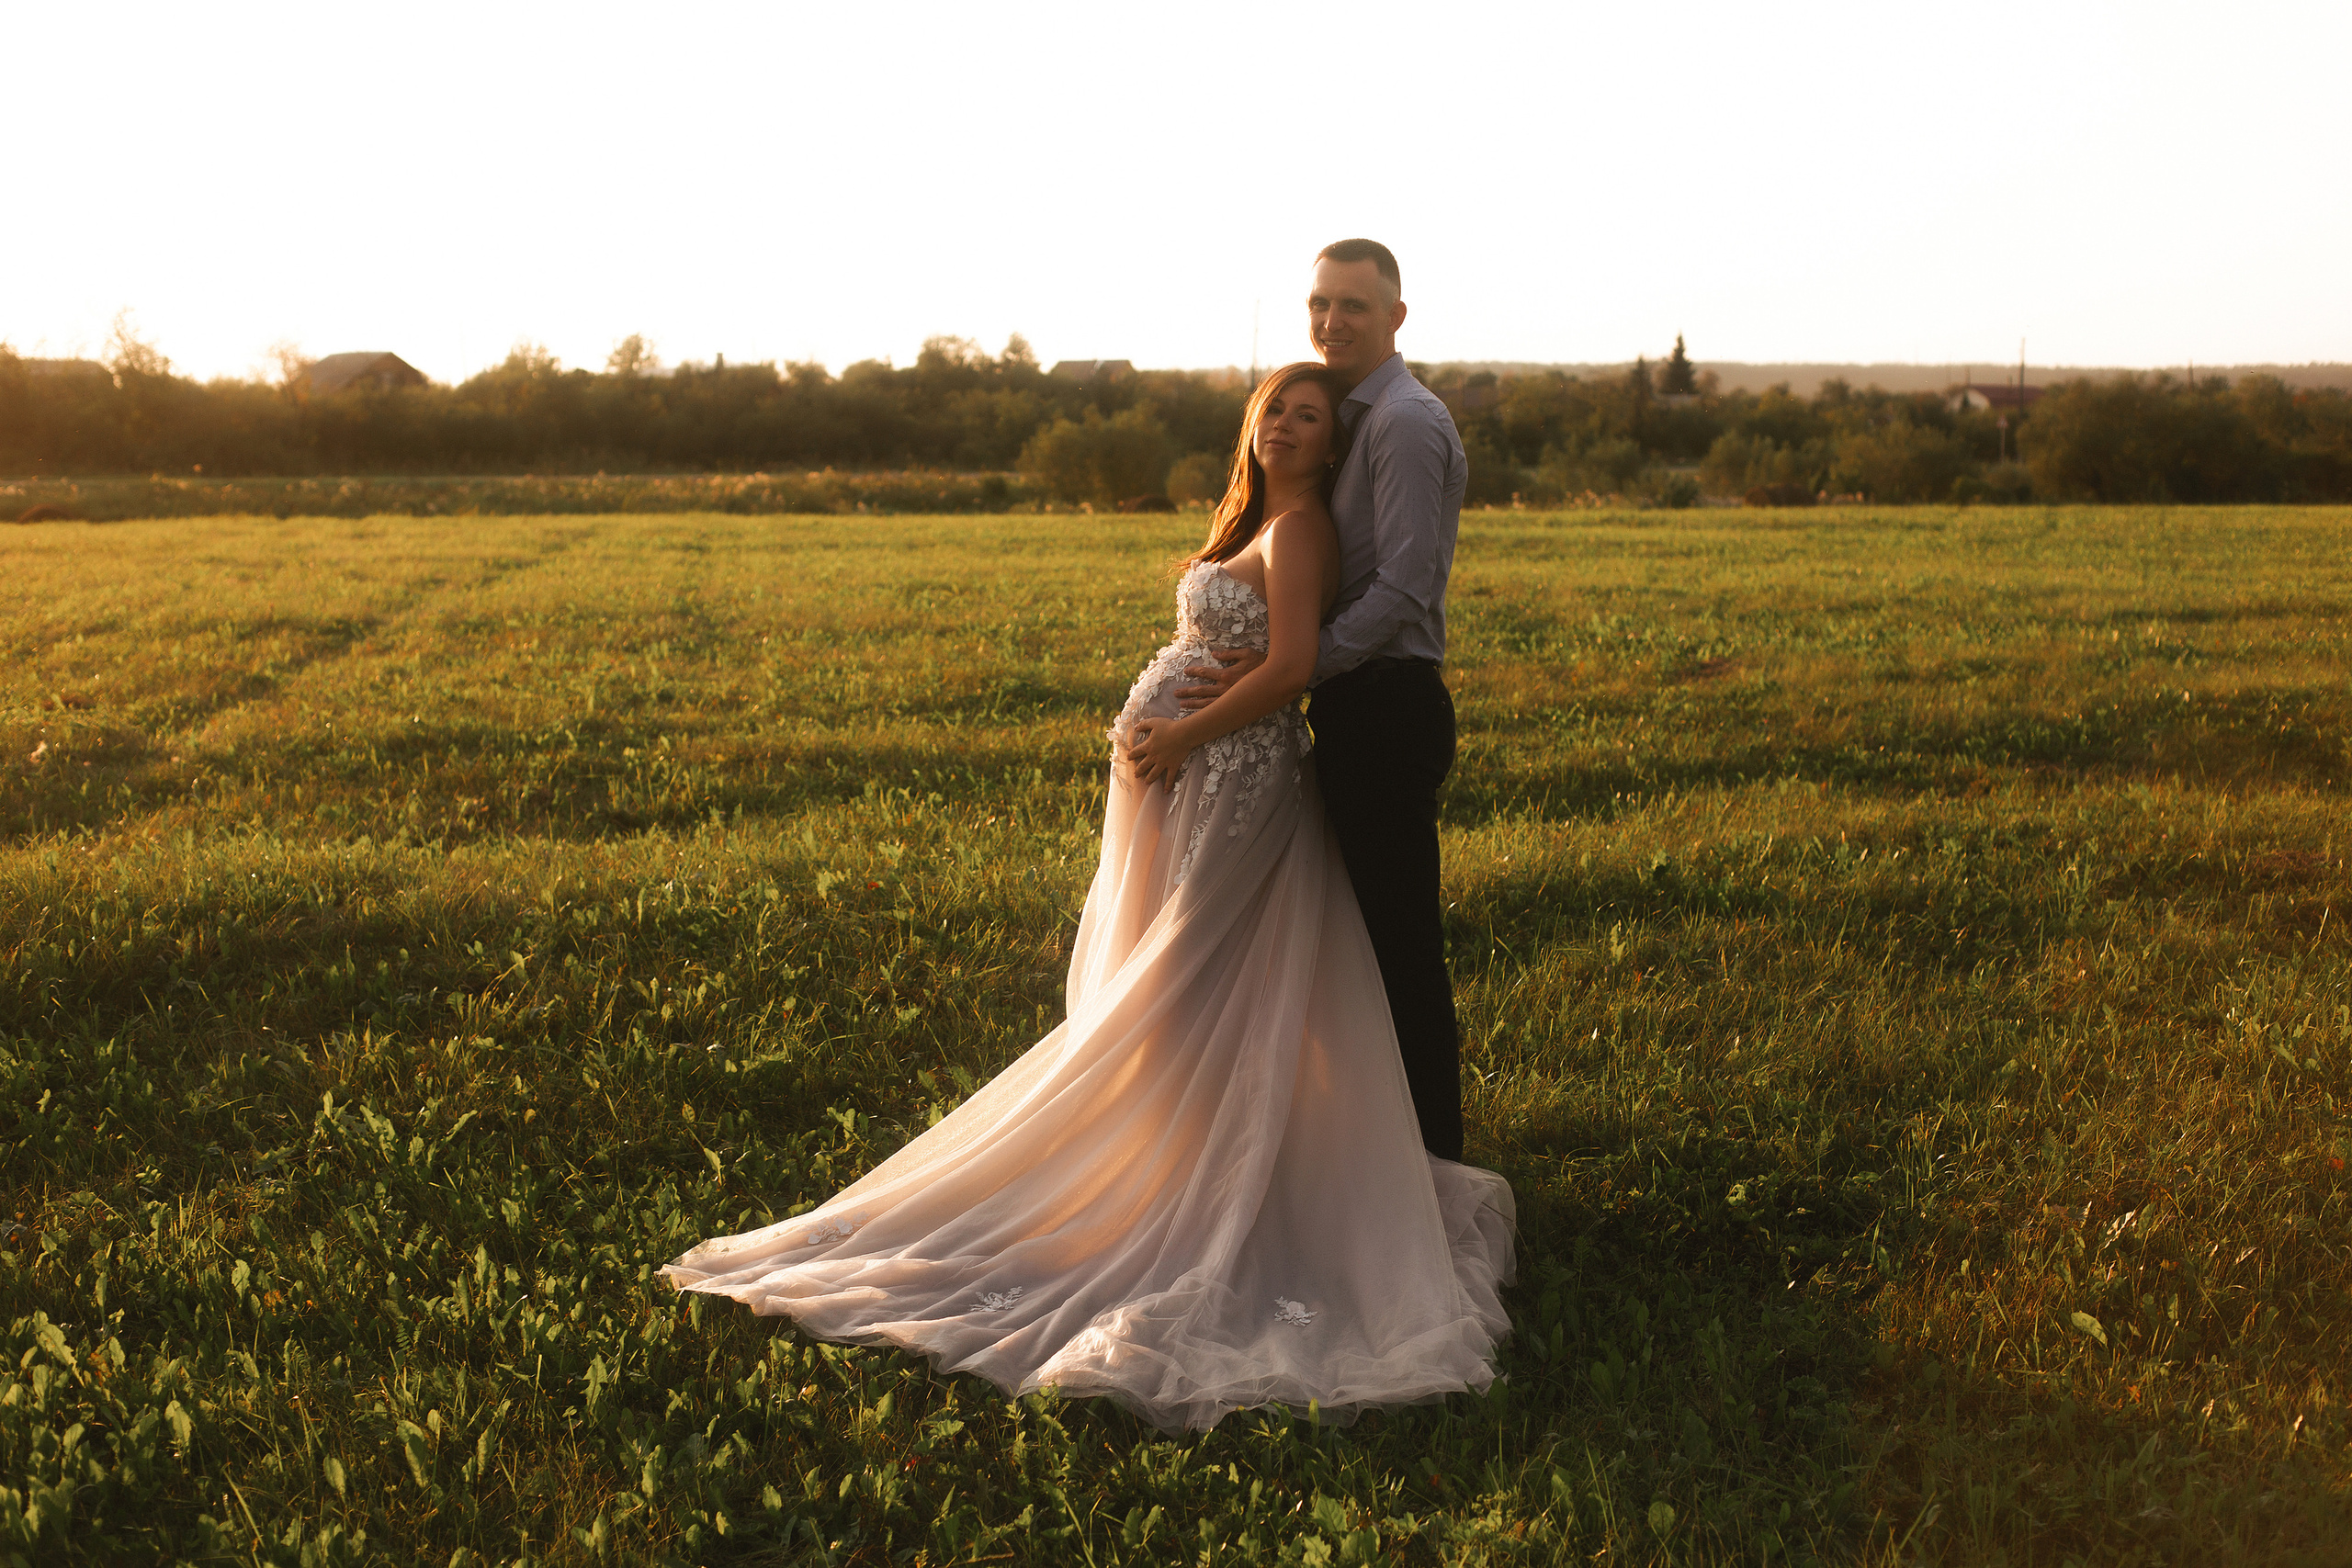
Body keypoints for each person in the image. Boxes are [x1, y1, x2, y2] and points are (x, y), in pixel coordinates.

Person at [663, 361, 1513, 1432]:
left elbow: (1291, 666)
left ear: (1331, 445)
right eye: (1274, 411)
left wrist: (1178, 734)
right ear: (1250, 426)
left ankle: (1194, 1188)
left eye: (1309, 417)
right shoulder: (1257, 520)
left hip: (1233, 782)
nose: (1288, 427)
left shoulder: (1301, 531)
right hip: (1198, 780)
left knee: (1184, 979)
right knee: (1178, 976)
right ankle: (1170, 1160)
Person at [1180, 239, 1470, 1160]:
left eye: (1354, 305)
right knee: (1353, 944)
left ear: (1395, 316)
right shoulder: (1355, 419)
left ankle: (1433, 1166)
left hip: (1387, 706)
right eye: (1320, 304)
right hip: (1354, 706)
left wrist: (1297, 665)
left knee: (1396, 949)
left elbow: (1405, 587)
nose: (1332, 321)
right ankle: (1368, 1150)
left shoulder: (1404, 423)